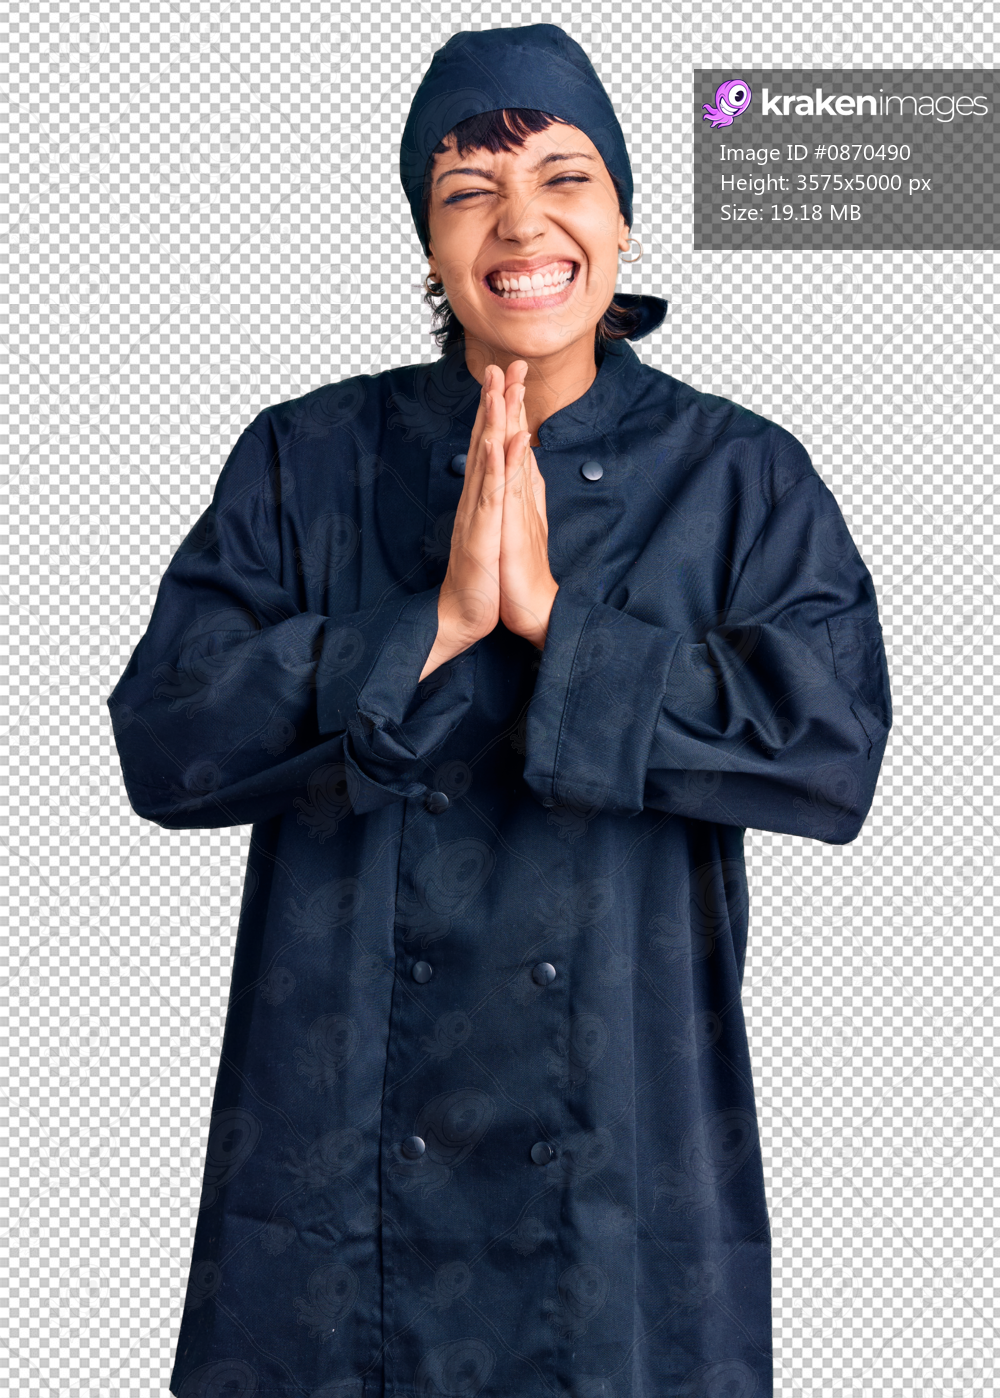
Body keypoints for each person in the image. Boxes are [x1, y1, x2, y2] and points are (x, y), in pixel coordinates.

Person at [108, 24, 892, 1398]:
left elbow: (833, 747)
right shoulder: (305, 459)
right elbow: (165, 737)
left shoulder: (740, 477)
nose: (522, 223)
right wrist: (435, 622)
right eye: (469, 191)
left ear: (624, 219)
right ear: (429, 244)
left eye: (565, 178)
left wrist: (552, 621)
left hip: (616, 1186)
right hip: (339, 1192)